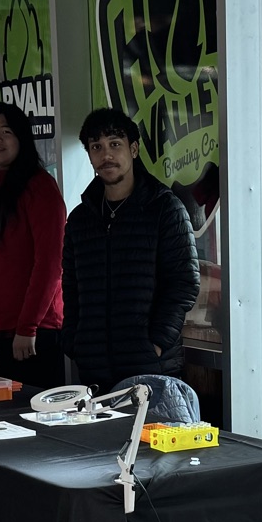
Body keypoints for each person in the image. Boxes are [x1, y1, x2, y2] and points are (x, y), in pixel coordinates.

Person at [61, 108, 199, 388]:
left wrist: (157, 343)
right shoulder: (80, 219)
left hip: (151, 367)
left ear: (133, 149)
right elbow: (71, 287)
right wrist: (74, 341)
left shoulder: (165, 209)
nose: (106, 155)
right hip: (93, 367)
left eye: (115, 144)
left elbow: (183, 283)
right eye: (96, 147)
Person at [0, 102, 65, 389]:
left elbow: (50, 264)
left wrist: (27, 326)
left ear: (22, 139)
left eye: (6, 132)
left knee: (29, 414)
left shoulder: (40, 187)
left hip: (27, 335)